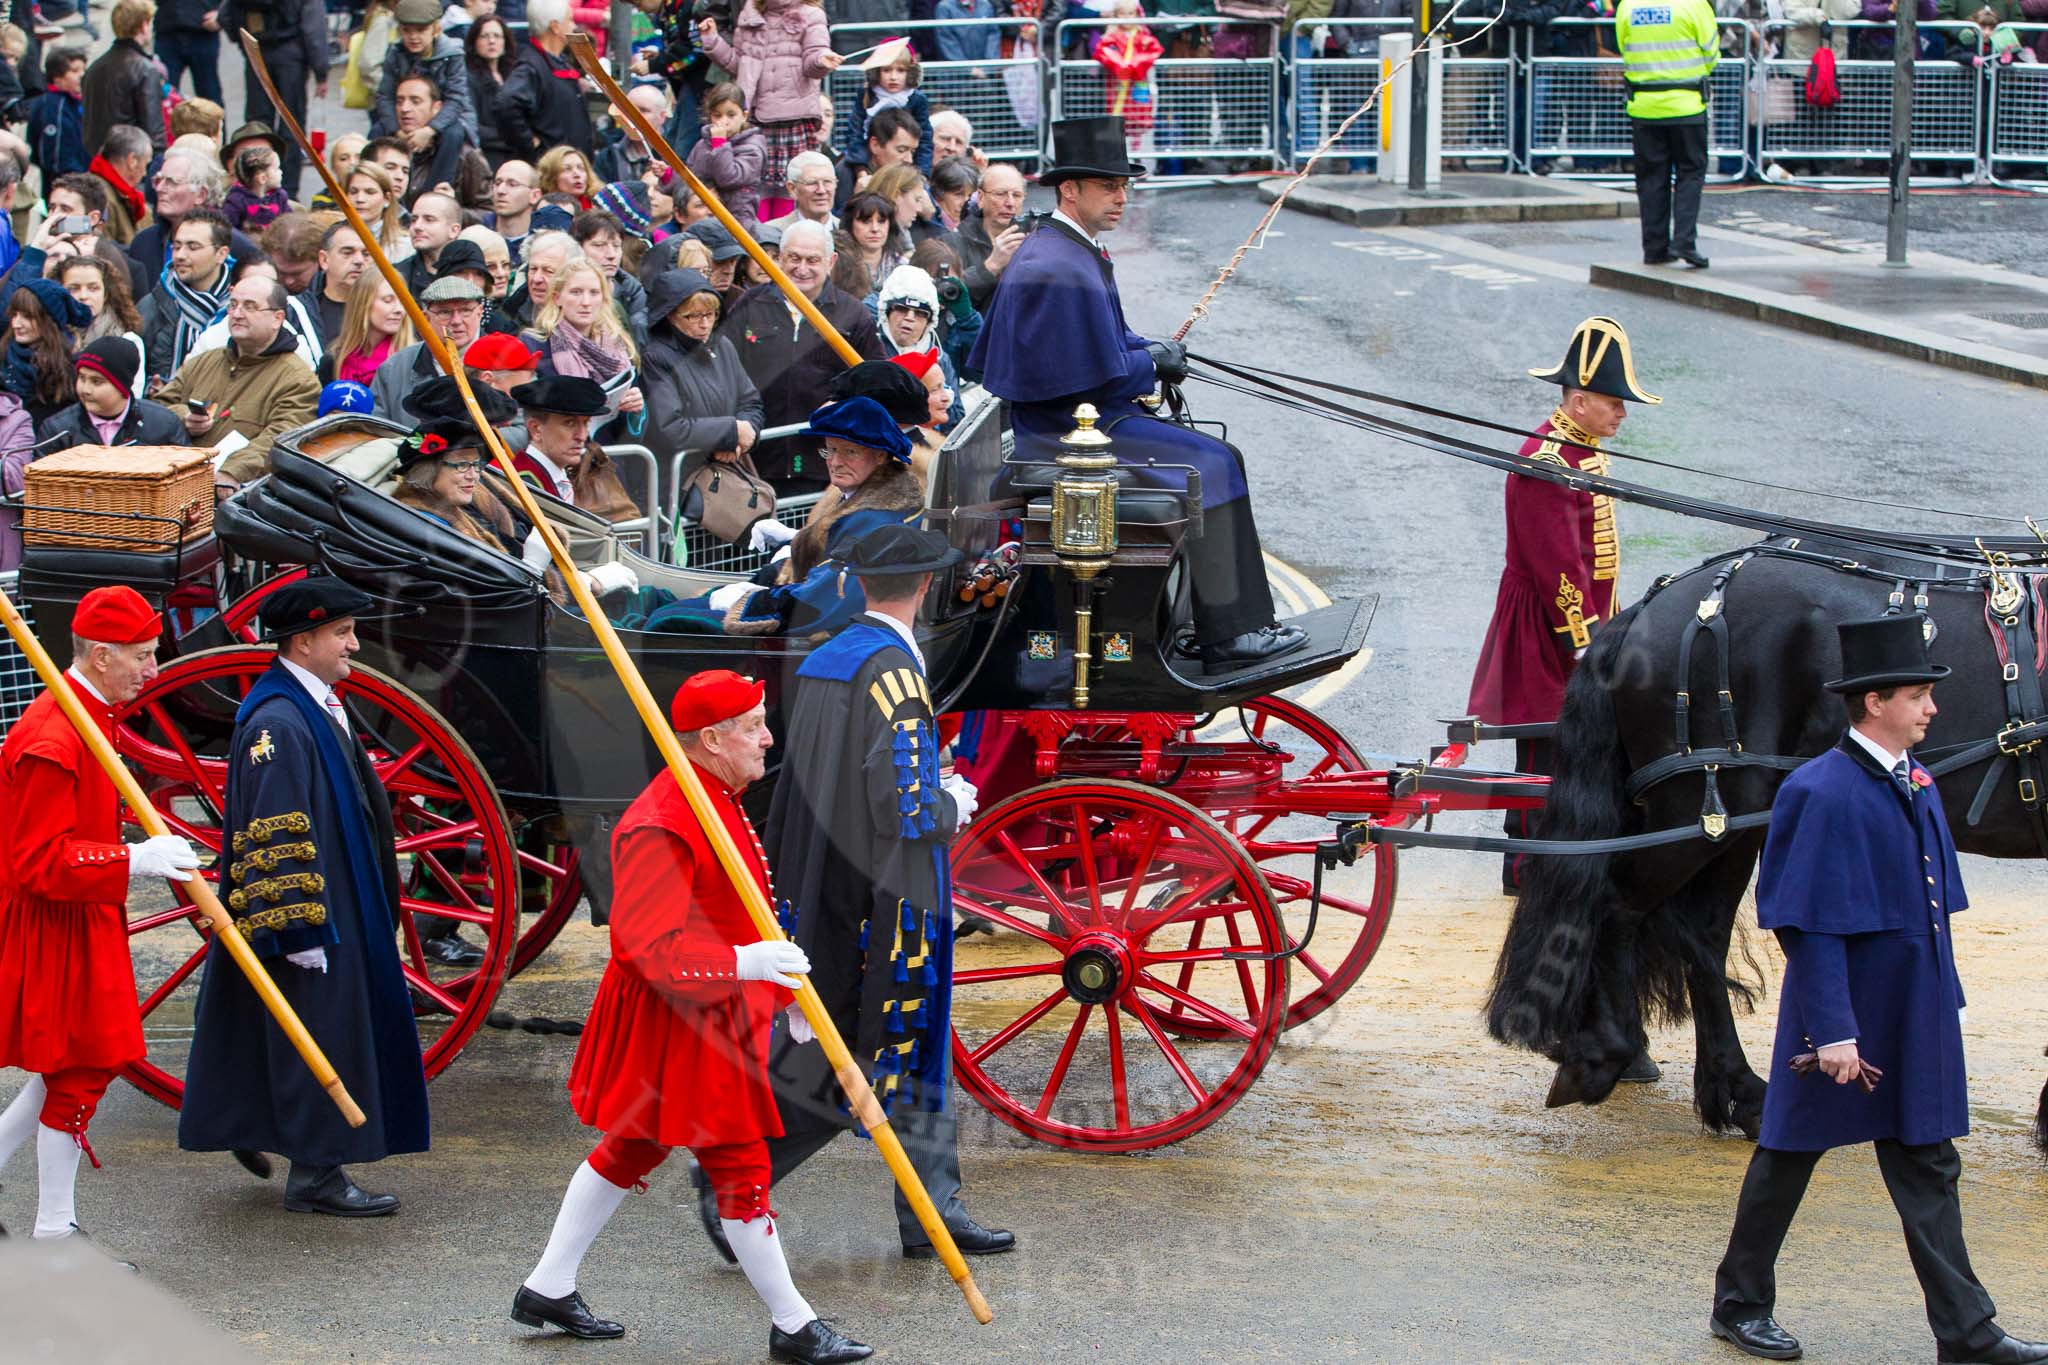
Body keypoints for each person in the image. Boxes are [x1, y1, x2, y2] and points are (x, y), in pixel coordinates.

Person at [1708, 614, 2048, 1365]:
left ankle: (1966, 1333)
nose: (1932, 708)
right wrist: (1832, 1029)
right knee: (1788, 1154)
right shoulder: (1818, 792)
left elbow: (1929, 912)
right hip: (1844, 1013)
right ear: (1873, 704)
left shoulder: (1920, 783)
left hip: (1914, 1009)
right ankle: (1739, 1303)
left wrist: (1941, 1002)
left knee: (1929, 1163)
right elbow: (1807, 924)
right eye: (1919, 695)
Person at [512, 671, 874, 1364]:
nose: (769, 736)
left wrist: (782, 988)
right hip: (681, 1017)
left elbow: (735, 911)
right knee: (740, 1165)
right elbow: (646, 947)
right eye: (754, 724)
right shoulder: (666, 818)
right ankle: (794, 1324)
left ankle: (548, 1285)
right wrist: (748, 965)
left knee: (634, 1144)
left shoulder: (716, 796)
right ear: (710, 739)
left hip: (703, 1012)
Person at [698, 522, 1014, 1265]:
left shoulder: (826, 659)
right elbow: (902, 809)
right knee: (869, 1055)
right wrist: (954, 802)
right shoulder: (896, 676)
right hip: (888, 895)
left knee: (894, 1050)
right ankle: (732, 1182)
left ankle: (934, 1207)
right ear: (927, 585)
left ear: (860, 582)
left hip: (825, 879)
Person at [970, 115, 1305, 668]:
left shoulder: (1072, 249)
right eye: (1109, 186)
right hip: (1071, 436)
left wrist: (1147, 351)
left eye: (1125, 186)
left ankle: (1211, 621)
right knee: (1213, 463)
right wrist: (1149, 362)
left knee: (1216, 456)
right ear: (1070, 190)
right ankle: (1232, 634)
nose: (1122, 197)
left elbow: (1102, 344)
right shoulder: (1058, 261)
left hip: (1086, 422)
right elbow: (1081, 378)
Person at [179, 577, 431, 1217]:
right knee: (323, 1030)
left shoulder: (309, 705)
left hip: (336, 897)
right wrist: (297, 931)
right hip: (313, 912)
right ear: (303, 640)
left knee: (298, 1028)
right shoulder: (280, 724)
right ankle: (317, 1174)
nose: (354, 644)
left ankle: (257, 1124)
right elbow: (275, 827)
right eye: (341, 633)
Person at [0, 586, 201, 1253]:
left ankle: (50, 1226)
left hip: (85, 913)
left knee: (70, 1066)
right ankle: (54, 1234)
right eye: (142, 656)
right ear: (100, 653)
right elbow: (37, 860)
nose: (152, 669)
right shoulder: (53, 735)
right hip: (58, 921)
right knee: (86, 1063)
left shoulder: (92, 713)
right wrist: (134, 858)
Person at [1466, 316, 1654, 894]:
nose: (1622, 412)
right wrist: (1587, 643)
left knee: (1563, 741)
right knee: (1546, 744)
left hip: (1577, 617)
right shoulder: (1549, 463)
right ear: (1578, 401)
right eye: (1614, 402)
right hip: (1551, 625)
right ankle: (1526, 867)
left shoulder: (1581, 449)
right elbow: (1561, 575)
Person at [718, 220, 885, 495]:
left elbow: (878, 385)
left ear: (831, 262)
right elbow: (722, 372)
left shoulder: (853, 315)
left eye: (813, 260)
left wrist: (843, 407)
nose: (802, 268)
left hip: (827, 468)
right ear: (779, 259)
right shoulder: (749, 305)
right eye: (794, 258)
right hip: (757, 463)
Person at [155, 274, 320, 489]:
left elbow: (281, 439)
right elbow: (157, 410)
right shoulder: (203, 362)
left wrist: (231, 472)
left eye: (250, 307)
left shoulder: (298, 380)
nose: (237, 314)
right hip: (175, 483)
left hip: (236, 494)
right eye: (233, 305)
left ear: (278, 318)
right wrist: (183, 416)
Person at [694, 0, 843, 224]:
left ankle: (787, 242)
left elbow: (813, 58)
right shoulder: (751, 12)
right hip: (757, 118)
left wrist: (822, 60)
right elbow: (739, 64)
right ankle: (761, 244)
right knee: (755, 188)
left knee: (791, 189)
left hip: (794, 118)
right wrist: (713, 41)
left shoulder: (811, 14)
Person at [1617, 0, 1715, 268]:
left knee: (1651, 178)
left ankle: (1654, 247)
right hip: (1687, 103)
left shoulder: (1628, 5)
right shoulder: (1694, 4)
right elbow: (1711, 50)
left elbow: (1624, 46)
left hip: (1645, 106)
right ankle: (1684, 241)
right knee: (1690, 173)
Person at [642, 267, 763, 477]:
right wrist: (731, 432)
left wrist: (744, 435)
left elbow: (750, 401)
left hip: (727, 470)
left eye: (710, 314)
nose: (705, 324)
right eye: (694, 316)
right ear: (670, 315)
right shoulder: (656, 357)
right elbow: (670, 427)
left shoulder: (723, 345)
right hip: (678, 478)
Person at [523, 256, 645, 446]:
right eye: (576, 292)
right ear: (557, 297)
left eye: (594, 292)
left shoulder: (618, 347)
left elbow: (630, 435)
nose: (586, 302)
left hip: (607, 461)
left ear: (604, 298)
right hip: (557, 456)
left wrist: (636, 412)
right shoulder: (534, 345)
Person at [220, 0, 329, 196]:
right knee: (291, 126)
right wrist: (320, 71)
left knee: (258, 125)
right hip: (290, 55)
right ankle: (287, 189)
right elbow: (313, 29)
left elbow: (225, 16)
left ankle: (255, 183)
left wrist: (242, 41)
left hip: (257, 53)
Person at [128, 146, 260, 301]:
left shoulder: (238, 248)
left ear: (201, 194)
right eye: (158, 180)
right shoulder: (143, 243)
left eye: (172, 182)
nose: (160, 188)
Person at [509, 374, 640, 522]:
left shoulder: (557, 475)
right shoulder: (526, 483)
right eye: (569, 423)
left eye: (586, 423)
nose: (582, 436)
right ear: (536, 429)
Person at [137, 204, 233, 390]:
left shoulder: (240, 305)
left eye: (192, 247)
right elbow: (134, 371)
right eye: (177, 246)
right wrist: (152, 390)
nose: (180, 255)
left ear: (221, 254)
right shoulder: (152, 305)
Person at [369, 269, 489, 416]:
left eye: (465, 310)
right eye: (445, 312)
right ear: (425, 318)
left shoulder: (506, 358)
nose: (456, 321)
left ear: (479, 312)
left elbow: (520, 428)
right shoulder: (393, 369)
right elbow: (376, 427)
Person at [38, 336, 185, 446]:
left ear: (122, 386)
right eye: (82, 378)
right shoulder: (56, 431)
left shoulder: (164, 425)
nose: (85, 389)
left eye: (97, 381)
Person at [498, 0, 597, 163]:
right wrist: (530, 144)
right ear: (555, 27)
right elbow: (506, 102)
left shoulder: (559, 61)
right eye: (570, 20)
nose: (573, 26)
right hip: (552, 169)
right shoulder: (531, 66)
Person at [374, 0, 478, 149]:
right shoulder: (396, 53)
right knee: (377, 132)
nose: (413, 37)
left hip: (445, 118)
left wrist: (430, 130)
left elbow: (456, 98)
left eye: (421, 30)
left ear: (435, 30)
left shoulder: (453, 54)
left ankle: (442, 173)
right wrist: (397, 131)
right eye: (407, 30)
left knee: (453, 134)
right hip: (405, 117)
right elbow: (385, 96)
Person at [81, 2, 162, 165]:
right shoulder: (145, 70)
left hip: (99, 159)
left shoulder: (95, 68)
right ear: (144, 25)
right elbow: (154, 130)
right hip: (132, 162)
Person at [397, 73, 492, 211]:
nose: (405, 108)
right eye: (399, 101)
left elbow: (488, 211)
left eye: (415, 101)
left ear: (436, 108)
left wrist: (452, 211)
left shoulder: (465, 155)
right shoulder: (386, 149)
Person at [840, 44, 933, 182]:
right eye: (887, 70)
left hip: (908, 167)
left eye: (900, 70)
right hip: (868, 164)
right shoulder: (866, 95)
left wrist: (923, 173)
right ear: (877, 72)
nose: (893, 77)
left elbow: (925, 138)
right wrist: (860, 169)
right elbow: (855, 133)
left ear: (910, 73)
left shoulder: (916, 99)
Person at [684, 83, 766, 232]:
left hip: (737, 220)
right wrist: (667, 176)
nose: (724, 121)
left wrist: (720, 145)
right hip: (703, 215)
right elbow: (690, 176)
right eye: (717, 115)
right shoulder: (702, 145)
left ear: (744, 116)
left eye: (731, 114)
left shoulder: (753, 148)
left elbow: (728, 178)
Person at [6, 278, 88, 427]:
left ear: (49, 320)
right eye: (14, 314)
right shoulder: (4, 358)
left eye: (27, 316)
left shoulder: (72, 368)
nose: (16, 324)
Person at [59, 256, 147, 391]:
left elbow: (132, 396)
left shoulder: (128, 341)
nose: (83, 296)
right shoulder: (48, 334)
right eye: (74, 289)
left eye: (93, 288)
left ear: (105, 294)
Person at [950, 159, 1024, 310]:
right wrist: (992, 266)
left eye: (1016, 195)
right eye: (1000, 194)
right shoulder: (954, 241)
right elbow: (949, 296)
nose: (1010, 202)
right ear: (981, 198)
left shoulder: (1034, 241)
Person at [569, 208, 649, 344]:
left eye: (617, 246)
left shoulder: (635, 293)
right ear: (578, 248)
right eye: (599, 245)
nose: (611, 255)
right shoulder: (562, 291)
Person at [321, 273, 414, 388]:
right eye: (388, 300)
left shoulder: (414, 361)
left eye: (403, 301)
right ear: (363, 303)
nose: (399, 309)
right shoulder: (334, 360)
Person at [833, 105, 920, 211]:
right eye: (901, 150)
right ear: (875, 145)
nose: (909, 160)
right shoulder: (846, 173)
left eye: (913, 152)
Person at [26, 46, 87, 183]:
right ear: (57, 77)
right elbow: (55, 156)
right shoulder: (52, 106)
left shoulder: (76, 102)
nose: (82, 75)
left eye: (83, 69)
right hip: (65, 182)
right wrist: (74, 177)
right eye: (75, 71)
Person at [300, 219, 370, 340]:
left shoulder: (388, 308)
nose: (359, 260)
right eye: (347, 252)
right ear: (324, 260)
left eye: (366, 254)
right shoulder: (300, 312)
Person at [593, 79, 670, 185]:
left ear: (662, 116)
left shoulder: (675, 152)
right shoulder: (608, 157)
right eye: (630, 110)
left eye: (643, 110)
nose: (635, 116)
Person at [88, 125, 155, 245]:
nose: (145, 173)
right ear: (132, 161)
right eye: (146, 164)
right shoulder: (101, 197)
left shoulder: (121, 194)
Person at [466, 15, 516, 166]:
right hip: (489, 153)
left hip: (517, 149)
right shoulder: (468, 78)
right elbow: (472, 126)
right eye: (484, 36)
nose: (492, 41)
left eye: (497, 36)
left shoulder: (514, 74)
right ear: (474, 42)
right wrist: (513, 137)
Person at [758, 149, 839, 236]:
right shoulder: (770, 233)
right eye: (812, 183)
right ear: (792, 189)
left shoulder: (850, 231)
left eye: (827, 182)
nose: (821, 190)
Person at [155, 0, 223, 102]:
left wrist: (222, 13)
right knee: (162, 95)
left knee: (210, 97)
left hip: (203, 31)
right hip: (167, 31)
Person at [403, 189, 465, 296]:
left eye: (429, 219)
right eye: (413, 220)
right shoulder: (397, 275)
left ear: (454, 230)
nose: (417, 227)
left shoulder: (471, 274)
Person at [347, 163, 413, 261]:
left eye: (370, 192)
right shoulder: (332, 237)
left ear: (387, 199)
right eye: (353, 192)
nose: (359, 199)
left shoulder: (403, 246)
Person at [222, 144, 289, 233]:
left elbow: (289, 221)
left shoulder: (279, 196)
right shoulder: (237, 201)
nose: (281, 172)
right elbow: (228, 229)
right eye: (277, 168)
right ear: (263, 178)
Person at [488, 158, 542, 262]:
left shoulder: (543, 244)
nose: (500, 190)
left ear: (535, 196)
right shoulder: (478, 238)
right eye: (497, 183)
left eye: (512, 184)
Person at [536, 143, 596, 211]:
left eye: (581, 168)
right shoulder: (541, 209)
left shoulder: (599, 206)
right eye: (567, 169)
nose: (577, 174)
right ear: (551, 177)